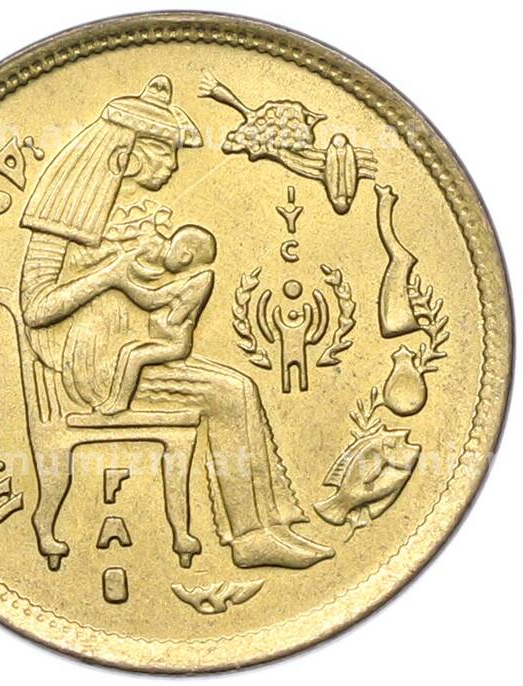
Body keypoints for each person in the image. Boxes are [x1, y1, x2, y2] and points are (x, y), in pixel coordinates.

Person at [19, 74, 334, 569]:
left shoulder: (132, 216)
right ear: (126, 156)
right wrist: (109, 275)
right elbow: (36, 309)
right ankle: (250, 537)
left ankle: (271, 527)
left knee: (239, 387)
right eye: (165, 152)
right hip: (97, 369)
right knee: (228, 393)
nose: (174, 165)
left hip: (134, 356)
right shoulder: (62, 216)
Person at [97, 225, 216, 415]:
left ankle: (120, 403)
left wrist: (122, 283)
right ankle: (114, 400)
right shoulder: (188, 281)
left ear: (184, 256)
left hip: (174, 345)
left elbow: (151, 300)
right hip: (164, 340)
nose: (164, 251)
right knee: (128, 350)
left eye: (170, 247)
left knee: (135, 356)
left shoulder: (193, 284)